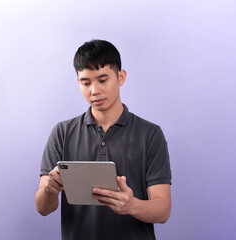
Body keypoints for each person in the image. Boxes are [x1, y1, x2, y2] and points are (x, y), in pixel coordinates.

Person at [35, 39, 172, 240]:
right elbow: (43, 208)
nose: (94, 90)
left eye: (102, 79)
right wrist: (50, 189)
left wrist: (131, 205)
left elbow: (163, 210)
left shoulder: (150, 134)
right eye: (86, 82)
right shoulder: (62, 133)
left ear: (121, 77)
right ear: (78, 82)